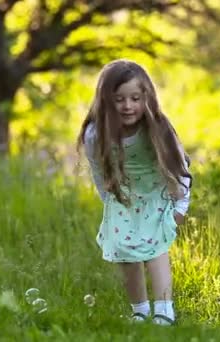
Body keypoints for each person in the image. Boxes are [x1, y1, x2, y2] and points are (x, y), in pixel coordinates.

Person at [76, 59, 192, 326]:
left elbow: (179, 167)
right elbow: (98, 171)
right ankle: (139, 310)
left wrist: (181, 205)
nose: (128, 106)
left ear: (146, 98)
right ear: (106, 101)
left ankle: (164, 311)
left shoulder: (158, 128)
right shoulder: (96, 134)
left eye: (135, 98)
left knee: (155, 250)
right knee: (126, 254)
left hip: (157, 195)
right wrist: (109, 201)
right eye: (119, 99)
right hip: (123, 197)